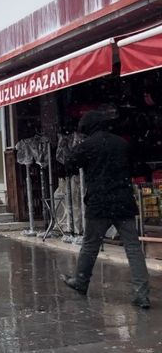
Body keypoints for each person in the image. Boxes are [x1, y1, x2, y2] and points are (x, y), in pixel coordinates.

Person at [60, 110, 150, 309]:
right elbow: (136, 168)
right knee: (133, 248)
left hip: (99, 203)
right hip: (123, 200)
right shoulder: (122, 143)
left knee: (90, 245)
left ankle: (81, 281)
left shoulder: (87, 146)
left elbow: (69, 164)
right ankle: (141, 293)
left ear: (87, 129)